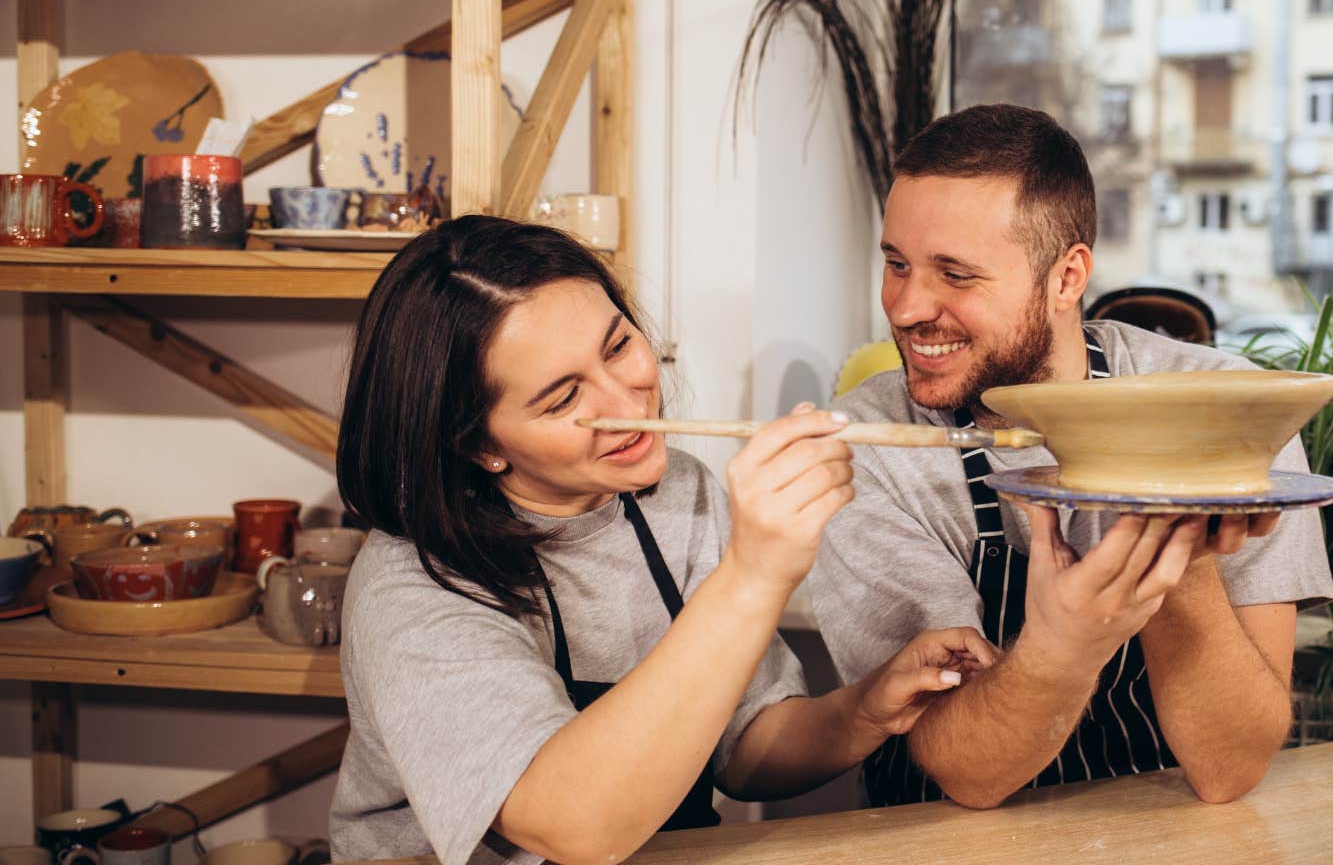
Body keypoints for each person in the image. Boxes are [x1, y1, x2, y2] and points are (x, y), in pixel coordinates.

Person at [328, 217, 995, 865]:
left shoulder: (678, 492)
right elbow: (573, 828)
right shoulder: (414, 584)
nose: (628, 400)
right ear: (479, 444)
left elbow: (741, 745)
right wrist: (752, 576)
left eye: (618, 346)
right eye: (563, 400)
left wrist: (865, 712)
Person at [813, 104, 1333, 810]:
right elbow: (964, 770)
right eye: (897, 264)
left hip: (1158, 835)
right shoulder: (869, 445)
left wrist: (1178, 549)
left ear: (1067, 278)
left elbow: (1229, 767)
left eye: (956, 275)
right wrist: (1064, 645)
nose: (906, 308)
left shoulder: (1226, 411)